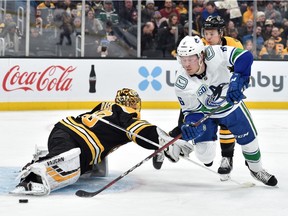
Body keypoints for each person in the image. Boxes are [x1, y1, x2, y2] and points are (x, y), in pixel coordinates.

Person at [10, 88, 193, 196]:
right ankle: (31, 178)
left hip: (63, 131)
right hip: (75, 141)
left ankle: (44, 158)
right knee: (70, 170)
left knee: (83, 164)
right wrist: (163, 141)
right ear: (135, 105)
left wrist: (158, 144)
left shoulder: (107, 106)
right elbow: (141, 131)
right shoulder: (127, 117)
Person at [175, 35, 277, 187]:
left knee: (250, 143)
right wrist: (191, 125)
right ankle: (207, 149)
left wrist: (237, 78)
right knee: (204, 156)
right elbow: (191, 111)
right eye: (183, 60)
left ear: (201, 55)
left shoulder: (214, 53)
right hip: (206, 115)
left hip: (232, 108)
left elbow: (245, 56)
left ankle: (256, 170)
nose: (187, 64)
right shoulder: (181, 83)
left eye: (191, 59)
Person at [153, 16, 243, 181]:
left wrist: (237, 82)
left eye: (211, 33)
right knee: (187, 125)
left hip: (220, 93)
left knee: (227, 123)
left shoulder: (233, 44)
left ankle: (226, 159)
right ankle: (167, 144)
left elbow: (238, 67)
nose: (207, 37)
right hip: (199, 94)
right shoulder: (199, 44)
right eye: (205, 33)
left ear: (221, 32)